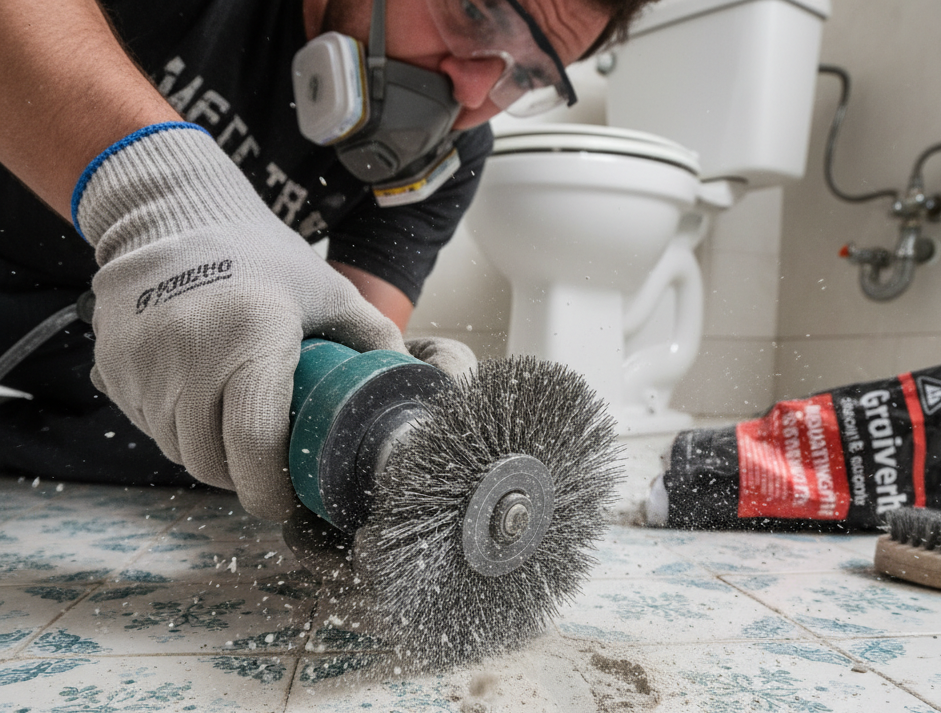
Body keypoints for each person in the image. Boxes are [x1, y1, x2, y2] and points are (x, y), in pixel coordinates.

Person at [0, 0, 644, 521]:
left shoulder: (447, 159)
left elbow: (351, 335)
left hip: (114, 355)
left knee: (246, 436)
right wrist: (167, 198)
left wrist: (383, 390)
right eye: (474, 13)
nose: (473, 90)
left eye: (526, 76)